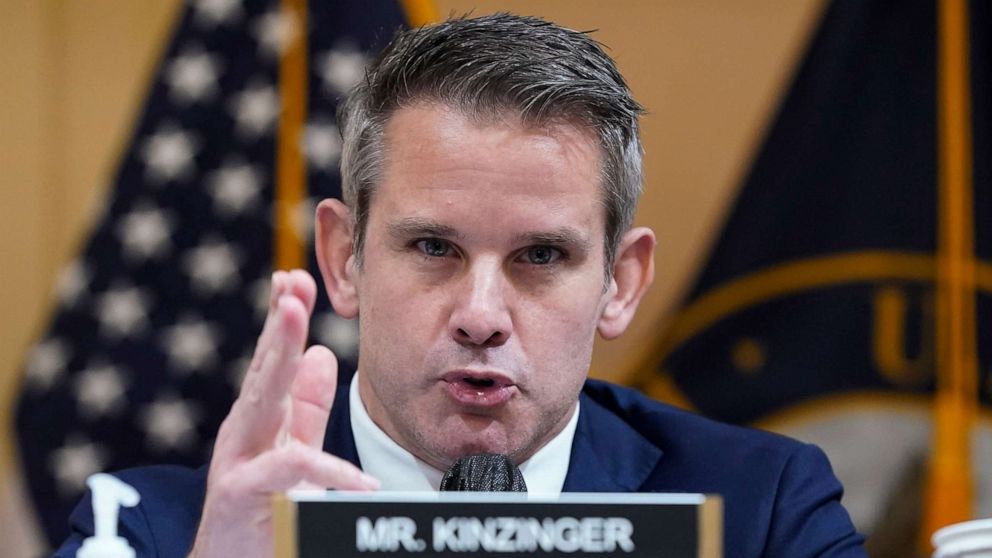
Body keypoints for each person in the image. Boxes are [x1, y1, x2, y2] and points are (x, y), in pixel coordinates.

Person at [55, 13, 866, 558]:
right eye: (434, 245)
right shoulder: (150, 531)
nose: (481, 317)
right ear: (345, 258)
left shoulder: (761, 513)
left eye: (541, 257)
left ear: (620, 283)